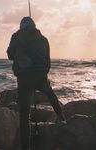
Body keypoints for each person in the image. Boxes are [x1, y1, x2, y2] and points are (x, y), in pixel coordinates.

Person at [7, 16, 65, 150]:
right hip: (41, 76)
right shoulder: (44, 39)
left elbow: (10, 56)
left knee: (24, 113)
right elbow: (48, 62)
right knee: (50, 93)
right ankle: (61, 117)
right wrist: (42, 73)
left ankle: (25, 147)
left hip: (24, 79)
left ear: (21, 27)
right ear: (34, 26)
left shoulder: (16, 37)